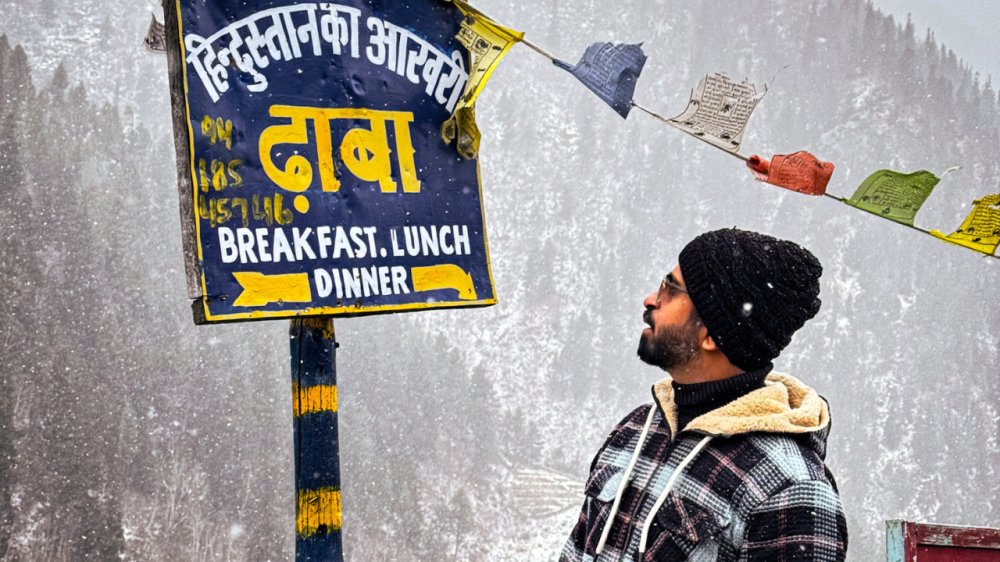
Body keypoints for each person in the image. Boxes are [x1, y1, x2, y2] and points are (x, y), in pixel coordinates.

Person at [560, 228, 848, 561]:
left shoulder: (790, 488)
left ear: (710, 335)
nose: (651, 299)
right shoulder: (636, 429)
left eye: (671, 290)